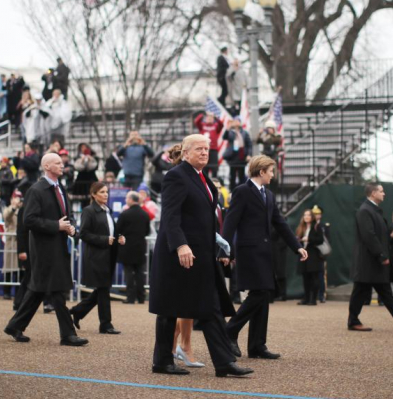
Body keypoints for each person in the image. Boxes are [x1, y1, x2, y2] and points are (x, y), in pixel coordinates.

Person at [149, 134, 251, 378]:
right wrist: (181, 246)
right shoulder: (176, 176)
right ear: (185, 153)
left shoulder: (204, 179)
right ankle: (162, 361)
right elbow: (171, 217)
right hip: (180, 256)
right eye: (199, 149)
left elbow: (205, 221)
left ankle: (224, 362)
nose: (205, 153)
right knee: (169, 309)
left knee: (211, 307)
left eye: (207, 149)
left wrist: (221, 248)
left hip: (203, 255)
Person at [222, 155, 308, 359]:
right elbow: (230, 222)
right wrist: (225, 250)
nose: (273, 174)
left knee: (264, 294)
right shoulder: (242, 191)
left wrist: (296, 247)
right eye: (270, 171)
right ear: (261, 172)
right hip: (248, 251)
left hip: (264, 253)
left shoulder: (269, 195)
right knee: (259, 293)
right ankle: (229, 330)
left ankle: (257, 345)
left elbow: (280, 223)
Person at [4, 153, 86, 347]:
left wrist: (72, 227)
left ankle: (15, 325)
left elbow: (68, 215)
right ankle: (67, 334)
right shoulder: (36, 190)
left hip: (58, 245)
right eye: (57, 163)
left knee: (38, 290)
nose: (62, 165)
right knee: (57, 289)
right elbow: (29, 220)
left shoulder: (61, 188)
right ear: (47, 166)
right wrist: (56, 226)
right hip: (43, 248)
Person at [347, 183, 393, 332]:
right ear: (373, 193)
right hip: (368, 261)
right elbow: (369, 235)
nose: (384, 194)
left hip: (374, 261)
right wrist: (380, 255)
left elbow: (379, 232)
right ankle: (353, 321)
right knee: (361, 290)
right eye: (381, 191)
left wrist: (390, 234)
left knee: (385, 291)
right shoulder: (365, 210)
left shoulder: (373, 210)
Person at [70, 182, 125, 334]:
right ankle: (106, 324)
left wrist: (119, 237)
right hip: (96, 256)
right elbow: (84, 234)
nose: (106, 194)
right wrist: (104, 239)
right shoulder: (88, 211)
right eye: (102, 192)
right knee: (103, 290)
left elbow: (111, 231)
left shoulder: (107, 210)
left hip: (108, 255)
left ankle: (77, 311)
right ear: (93, 194)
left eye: (107, 191)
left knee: (102, 290)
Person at [116, 191, 150, 304]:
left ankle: (130, 298)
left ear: (131, 200)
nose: (126, 200)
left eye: (126, 198)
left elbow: (118, 229)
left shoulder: (124, 214)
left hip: (127, 247)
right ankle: (141, 297)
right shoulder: (145, 214)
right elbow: (147, 231)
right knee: (140, 273)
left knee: (129, 273)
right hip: (140, 247)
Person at [295, 207, 326, 306]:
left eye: (308, 215)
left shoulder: (317, 226)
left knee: (315, 278)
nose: (306, 217)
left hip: (314, 256)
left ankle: (313, 299)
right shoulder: (301, 227)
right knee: (305, 278)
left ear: (312, 217)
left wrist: (309, 239)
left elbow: (320, 240)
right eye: (305, 215)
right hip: (304, 255)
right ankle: (306, 298)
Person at [2, 191, 22, 302]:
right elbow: (7, 217)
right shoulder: (8, 209)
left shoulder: (23, 210)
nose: (18, 200)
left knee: (19, 270)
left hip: (20, 242)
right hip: (11, 242)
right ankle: (6, 292)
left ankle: (18, 293)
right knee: (8, 269)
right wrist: (13, 207)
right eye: (16, 198)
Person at [223, 119, 252, 190]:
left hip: (242, 157)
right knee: (232, 177)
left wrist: (249, 155)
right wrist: (228, 128)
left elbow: (249, 145)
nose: (236, 123)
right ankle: (232, 192)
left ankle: (242, 191)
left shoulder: (244, 133)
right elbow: (224, 137)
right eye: (235, 121)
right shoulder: (230, 132)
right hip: (232, 158)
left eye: (238, 121)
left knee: (242, 177)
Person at [193, 112, 224, 177]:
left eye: (211, 118)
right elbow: (196, 121)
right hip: (203, 149)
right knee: (204, 167)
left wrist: (215, 116)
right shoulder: (202, 125)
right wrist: (203, 114)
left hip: (213, 150)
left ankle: (214, 182)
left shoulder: (215, 126)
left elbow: (221, 124)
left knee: (214, 168)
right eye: (208, 117)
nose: (209, 119)